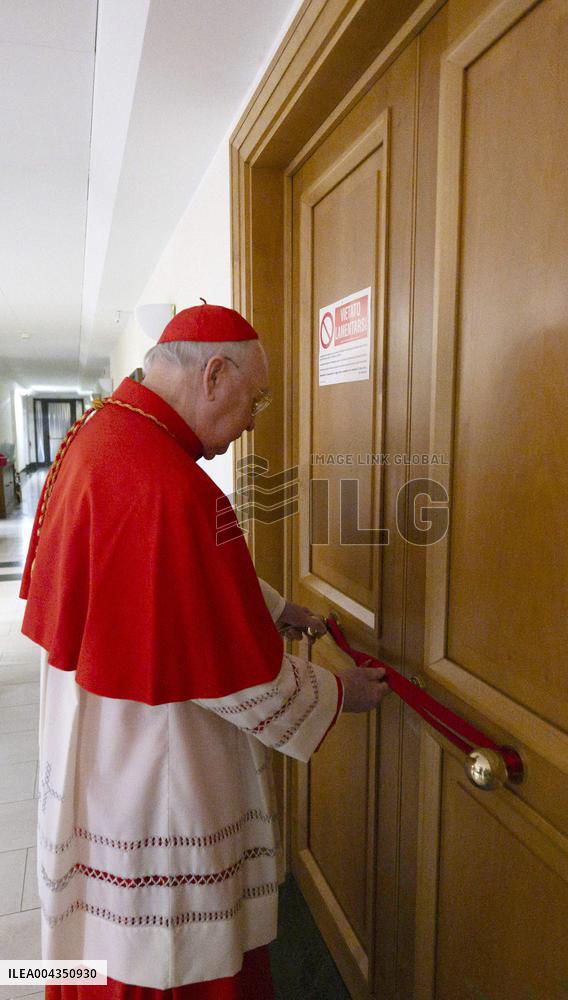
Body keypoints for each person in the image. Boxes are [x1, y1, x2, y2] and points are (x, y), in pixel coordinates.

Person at [20, 302, 389, 999]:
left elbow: (198, 573)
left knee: (99, 942)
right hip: (153, 761)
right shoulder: (170, 483)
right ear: (214, 375)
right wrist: (340, 693)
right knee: (167, 955)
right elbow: (235, 675)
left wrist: (279, 610)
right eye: (253, 403)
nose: (252, 422)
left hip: (100, 742)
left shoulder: (100, 436)